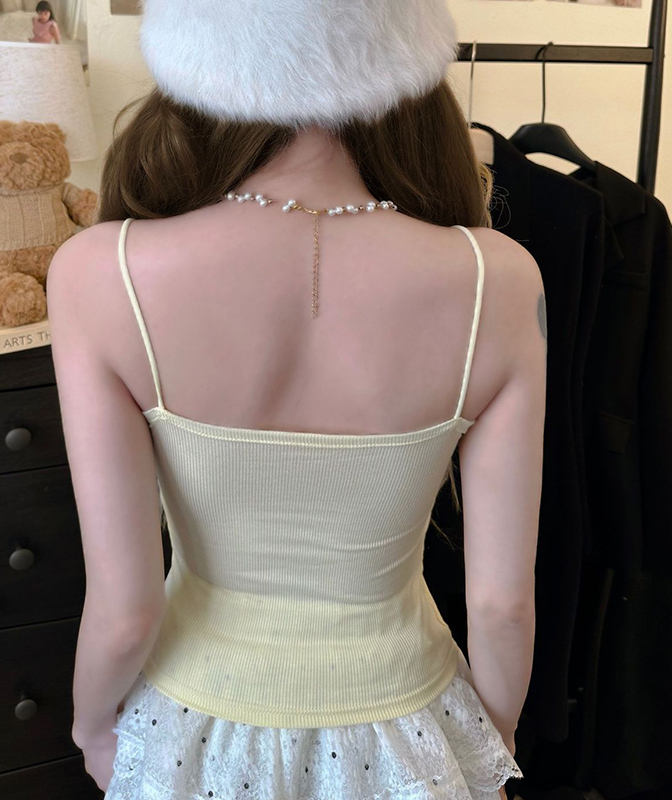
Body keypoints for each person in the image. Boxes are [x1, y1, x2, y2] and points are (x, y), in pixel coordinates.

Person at [46, 0, 545, 797]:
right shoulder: (498, 278)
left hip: (195, 725)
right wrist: (494, 732)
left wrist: (90, 726)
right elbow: (501, 606)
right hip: (408, 718)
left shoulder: (102, 271)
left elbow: (124, 609)